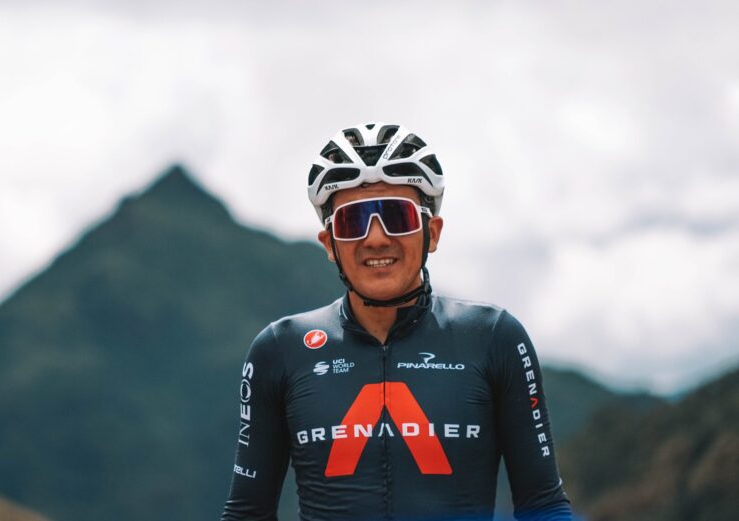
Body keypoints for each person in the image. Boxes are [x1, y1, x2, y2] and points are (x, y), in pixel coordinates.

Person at [221, 122, 572, 520]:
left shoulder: (493, 338)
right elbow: (246, 514)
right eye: (352, 221)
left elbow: (544, 505)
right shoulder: (280, 350)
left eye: (396, 216)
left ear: (432, 233)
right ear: (330, 244)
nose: (375, 238)